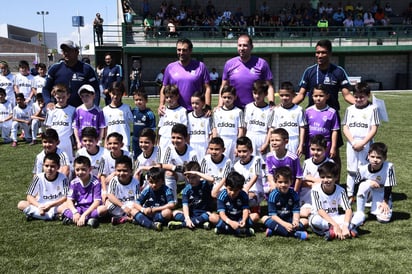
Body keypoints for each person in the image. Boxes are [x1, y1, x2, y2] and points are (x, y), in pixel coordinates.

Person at [294, 39, 355, 178]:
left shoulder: (338, 71)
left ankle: (336, 184)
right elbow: (301, 95)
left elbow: (346, 95)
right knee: (310, 152)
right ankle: (310, 181)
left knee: (334, 154)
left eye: (323, 52)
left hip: (331, 119)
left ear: (330, 54)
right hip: (312, 118)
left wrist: (362, 105)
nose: (319, 55)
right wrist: (285, 105)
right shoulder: (309, 71)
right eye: (317, 52)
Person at [342, 82, 379, 202]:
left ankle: (365, 194)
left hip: (366, 143)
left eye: (361, 97)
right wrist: (353, 142)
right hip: (352, 144)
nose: (358, 99)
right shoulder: (350, 109)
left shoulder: (373, 109)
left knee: (365, 169)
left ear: (368, 95)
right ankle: (350, 194)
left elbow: (374, 128)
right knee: (351, 169)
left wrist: (363, 143)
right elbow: (345, 127)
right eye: (356, 97)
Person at [219, 34, 274, 109]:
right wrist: (220, 104)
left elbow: (269, 86)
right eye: (239, 45)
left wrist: (271, 102)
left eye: (245, 45)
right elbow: (224, 86)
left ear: (251, 47)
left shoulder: (262, 63)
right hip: (234, 108)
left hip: (256, 108)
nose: (242, 48)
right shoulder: (229, 64)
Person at [158, 38, 211, 114]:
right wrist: (161, 104)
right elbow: (164, 87)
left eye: (184, 50)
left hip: (195, 110)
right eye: (179, 50)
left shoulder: (200, 66)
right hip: (175, 111)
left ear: (190, 51)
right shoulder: (170, 67)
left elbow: (207, 88)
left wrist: (207, 106)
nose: (181, 52)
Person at [309, 162, 358, 240]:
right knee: (314, 220)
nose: (325, 180)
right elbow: (320, 210)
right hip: (324, 220)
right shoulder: (315, 190)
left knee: (358, 215)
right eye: (322, 177)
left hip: (336, 218)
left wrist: (345, 226)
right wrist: (335, 225)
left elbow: (348, 209)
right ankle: (348, 229)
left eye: (329, 177)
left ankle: (336, 232)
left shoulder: (341, 190)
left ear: (336, 177)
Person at [43, 40, 100, 108]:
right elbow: (46, 88)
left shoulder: (87, 69)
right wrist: (48, 102)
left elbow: (96, 90)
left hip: (82, 110)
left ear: (77, 52)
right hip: (61, 111)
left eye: (69, 50)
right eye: (64, 51)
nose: (66, 53)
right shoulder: (55, 68)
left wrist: (94, 106)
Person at [352, 142, 397, 226]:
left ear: (384, 158)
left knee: (383, 219)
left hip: (382, 193)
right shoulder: (361, 169)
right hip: (368, 193)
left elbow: (388, 186)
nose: (375, 160)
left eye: (379, 157)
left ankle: (379, 205)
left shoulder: (389, 167)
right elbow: (356, 186)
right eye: (372, 156)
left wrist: (385, 202)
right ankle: (360, 212)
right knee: (363, 185)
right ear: (368, 156)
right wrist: (369, 182)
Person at [168, 161, 219, 230]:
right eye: (188, 177)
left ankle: (182, 224)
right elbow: (185, 206)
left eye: (194, 177)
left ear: (199, 176)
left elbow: (212, 179)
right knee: (175, 213)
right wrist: (187, 218)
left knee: (208, 215)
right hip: (192, 213)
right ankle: (200, 223)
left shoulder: (205, 184)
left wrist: (196, 172)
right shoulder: (186, 190)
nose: (191, 180)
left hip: (205, 212)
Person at [17, 152, 68, 221]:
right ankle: (52, 216)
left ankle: (35, 215)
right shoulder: (38, 177)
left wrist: (50, 205)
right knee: (21, 204)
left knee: (67, 206)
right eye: (46, 166)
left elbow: (65, 197)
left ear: (58, 167)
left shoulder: (63, 178)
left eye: (52, 166)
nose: (49, 169)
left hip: (56, 205)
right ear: (43, 166)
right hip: (41, 205)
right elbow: (29, 196)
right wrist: (39, 206)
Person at [262, 166, 308, 240]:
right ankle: (295, 234)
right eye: (280, 182)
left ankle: (275, 230)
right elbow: (273, 215)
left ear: (291, 182)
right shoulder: (273, 195)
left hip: (290, 219)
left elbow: (296, 211)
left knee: (305, 221)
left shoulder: (294, 194)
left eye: (286, 182)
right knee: (264, 218)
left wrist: (295, 221)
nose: (283, 185)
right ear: (275, 182)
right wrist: (285, 225)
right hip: (278, 220)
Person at [61, 156, 107, 228]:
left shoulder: (95, 182)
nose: (80, 172)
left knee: (103, 209)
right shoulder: (74, 182)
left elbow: (96, 202)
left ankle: (74, 219)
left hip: (91, 209)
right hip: (79, 208)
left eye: (83, 169)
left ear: (90, 169)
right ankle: (88, 221)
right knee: (62, 207)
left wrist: (84, 215)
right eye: (77, 170)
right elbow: (69, 200)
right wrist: (75, 212)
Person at [129, 167, 175, 231]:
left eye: (156, 182)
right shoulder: (147, 189)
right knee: (132, 210)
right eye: (151, 182)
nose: (154, 185)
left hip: (159, 213)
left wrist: (155, 209)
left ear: (162, 181)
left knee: (168, 212)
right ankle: (151, 225)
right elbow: (136, 203)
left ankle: (142, 221)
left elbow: (172, 205)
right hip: (148, 213)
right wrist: (143, 210)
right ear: (147, 180)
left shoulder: (166, 189)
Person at [161, 123, 198, 202]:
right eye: (173, 137)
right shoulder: (169, 149)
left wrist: (186, 170)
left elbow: (196, 170)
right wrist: (175, 168)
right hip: (176, 174)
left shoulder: (192, 152)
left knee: (191, 175)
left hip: (188, 174)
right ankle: (172, 200)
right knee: (168, 173)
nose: (175, 140)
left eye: (179, 138)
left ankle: (190, 197)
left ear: (186, 138)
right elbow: (163, 165)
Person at [300, 135, 334, 219]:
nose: (315, 152)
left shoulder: (330, 163)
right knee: (305, 213)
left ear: (325, 149)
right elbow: (302, 182)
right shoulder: (306, 163)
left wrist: (311, 178)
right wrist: (315, 184)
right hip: (307, 197)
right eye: (313, 149)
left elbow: (330, 183)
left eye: (319, 150)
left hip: (324, 198)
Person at [215, 171, 258, 237]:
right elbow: (222, 213)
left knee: (255, 216)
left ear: (240, 189)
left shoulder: (243, 195)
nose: (232, 192)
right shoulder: (221, 195)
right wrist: (230, 222)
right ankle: (244, 230)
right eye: (230, 189)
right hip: (228, 218)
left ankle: (224, 229)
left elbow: (245, 210)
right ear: (225, 186)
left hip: (239, 218)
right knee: (212, 217)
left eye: (236, 190)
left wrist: (243, 220)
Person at [304, 84, 339, 159]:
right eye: (315, 96)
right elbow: (304, 129)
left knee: (324, 167)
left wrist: (333, 147)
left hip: (325, 144)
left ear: (327, 96)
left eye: (321, 96)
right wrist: (303, 144)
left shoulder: (332, 112)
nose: (318, 98)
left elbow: (334, 131)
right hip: (311, 144)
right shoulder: (308, 111)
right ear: (312, 96)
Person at [271, 81, 306, 156]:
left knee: (292, 164)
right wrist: (272, 144)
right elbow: (272, 129)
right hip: (279, 141)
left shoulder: (299, 110)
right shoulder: (276, 110)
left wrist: (301, 145)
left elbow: (302, 128)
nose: (284, 98)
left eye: (287, 95)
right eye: (282, 95)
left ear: (293, 95)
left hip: (293, 141)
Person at [212, 85, 245, 163]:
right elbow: (214, 129)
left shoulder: (238, 112)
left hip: (233, 141)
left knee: (233, 164)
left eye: (229, 97)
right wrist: (215, 143)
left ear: (235, 97)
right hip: (221, 141)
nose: (227, 100)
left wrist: (238, 146)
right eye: (224, 97)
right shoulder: (217, 111)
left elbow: (241, 130)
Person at [44, 84, 76, 164]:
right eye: (58, 98)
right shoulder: (51, 110)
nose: (61, 100)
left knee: (69, 164)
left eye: (63, 97)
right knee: (54, 163)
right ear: (54, 96)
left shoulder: (73, 110)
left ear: (68, 96)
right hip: (54, 143)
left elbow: (75, 128)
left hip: (67, 143)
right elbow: (48, 128)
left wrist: (75, 142)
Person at [265, 128, 303, 193]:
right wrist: (273, 185)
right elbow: (269, 174)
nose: (274, 143)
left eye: (277, 140)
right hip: (276, 185)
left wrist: (294, 192)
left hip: (289, 186)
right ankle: (272, 201)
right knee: (266, 188)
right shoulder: (269, 156)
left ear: (286, 141)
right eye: (272, 140)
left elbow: (299, 177)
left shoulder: (293, 158)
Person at [106, 155, 141, 225]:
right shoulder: (114, 180)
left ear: (131, 171)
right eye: (119, 170)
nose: (121, 173)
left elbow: (137, 200)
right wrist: (123, 207)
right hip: (119, 205)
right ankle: (129, 218)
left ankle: (124, 218)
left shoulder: (135, 182)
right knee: (108, 206)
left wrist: (131, 209)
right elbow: (110, 195)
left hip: (130, 206)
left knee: (137, 208)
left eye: (125, 171)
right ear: (115, 170)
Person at [233, 136, 264, 213]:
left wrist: (246, 189)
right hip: (242, 191)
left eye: (244, 151)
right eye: (239, 151)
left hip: (256, 191)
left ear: (251, 150)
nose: (242, 154)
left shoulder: (256, 160)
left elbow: (256, 176)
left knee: (250, 198)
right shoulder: (236, 165)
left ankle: (255, 209)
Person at [98, 132, 131, 201]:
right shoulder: (104, 157)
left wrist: (114, 174)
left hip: (125, 184)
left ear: (121, 145)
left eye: (115, 143)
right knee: (105, 206)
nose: (112, 146)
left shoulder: (128, 155)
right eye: (110, 143)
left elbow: (131, 172)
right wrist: (104, 191)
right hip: (109, 186)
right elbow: (102, 176)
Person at [244, 80, 273, 157]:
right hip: (250, 136)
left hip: (262, 138)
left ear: (266, 94)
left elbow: (270, 129)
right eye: (255, 93)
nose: (257, 96)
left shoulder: (270, 110)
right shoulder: (248, 107)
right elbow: (245, 126)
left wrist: (266, 143)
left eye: (260, 93)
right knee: (249, 160)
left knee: (262, 163)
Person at [73, 84, 106, 149]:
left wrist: (99, 140)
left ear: (93, 95)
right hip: (83, 142)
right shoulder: (78, 110)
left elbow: (102, 127)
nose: (85, 98)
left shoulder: (98, 111)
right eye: (83, 96)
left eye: (87, 96)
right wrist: (78, 141)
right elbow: (75, 127)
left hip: (94, 141)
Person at [102, 82, 133, 149]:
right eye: (113, 94)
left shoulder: (126, 108)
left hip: (124, 143)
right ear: (109, 93)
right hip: (111, 143)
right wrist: (105, 142)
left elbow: (133, 122)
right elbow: (105, 128)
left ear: (122, 94)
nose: (115, 96)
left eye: (118, 94)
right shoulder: (105, 110)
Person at [157, 85, 188, 153]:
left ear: (177, 96)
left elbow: (185, 129)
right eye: (167, 97)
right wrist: (158, 141)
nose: (169, 99)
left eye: (171, 97)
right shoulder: (163, 110)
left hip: (175, 141)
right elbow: (160, 127)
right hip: (164, 140)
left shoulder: (182, 111)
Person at [187, 91, 213, 161]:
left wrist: (209, 148)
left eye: (197, 103)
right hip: (192, 146)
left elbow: (211, 134)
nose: (194, 105)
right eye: (192, 103)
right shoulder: (188, 117)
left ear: (203, 103)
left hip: (204, 146)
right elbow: (187, 134)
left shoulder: (207, 117)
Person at [131, 88, 156, 160]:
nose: (138, 102)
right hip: (135, 139)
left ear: (146, 100)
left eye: (140, 100)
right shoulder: (133, 111)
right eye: (136, 100)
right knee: (135, 156)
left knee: (147, 155)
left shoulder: (149, 114)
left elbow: (153, 128)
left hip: (145, 140)